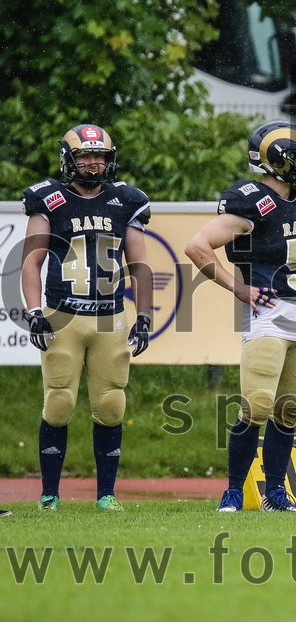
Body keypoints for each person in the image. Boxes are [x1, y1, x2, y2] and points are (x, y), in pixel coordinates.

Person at [185, 120, 296, 513]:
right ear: (277, 159)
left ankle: (276, 495)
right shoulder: (250, 200)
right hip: (267, 312)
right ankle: (233, 491)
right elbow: (197, 247)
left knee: (289, 409)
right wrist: (240, 289)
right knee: (258, 405)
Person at [21, 124, 154, 512]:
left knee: (112, 405)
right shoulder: (49, 198)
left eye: (101, 157)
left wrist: (143, 316)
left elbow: (140, 265)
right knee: (59, 403)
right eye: (85, 156)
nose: (94, 164)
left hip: (109, 318)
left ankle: (106, 495)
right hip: (62, 315)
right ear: (69, 159)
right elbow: (32, 261)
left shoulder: (126, 199)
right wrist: (33, 312)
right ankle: (49, 495)